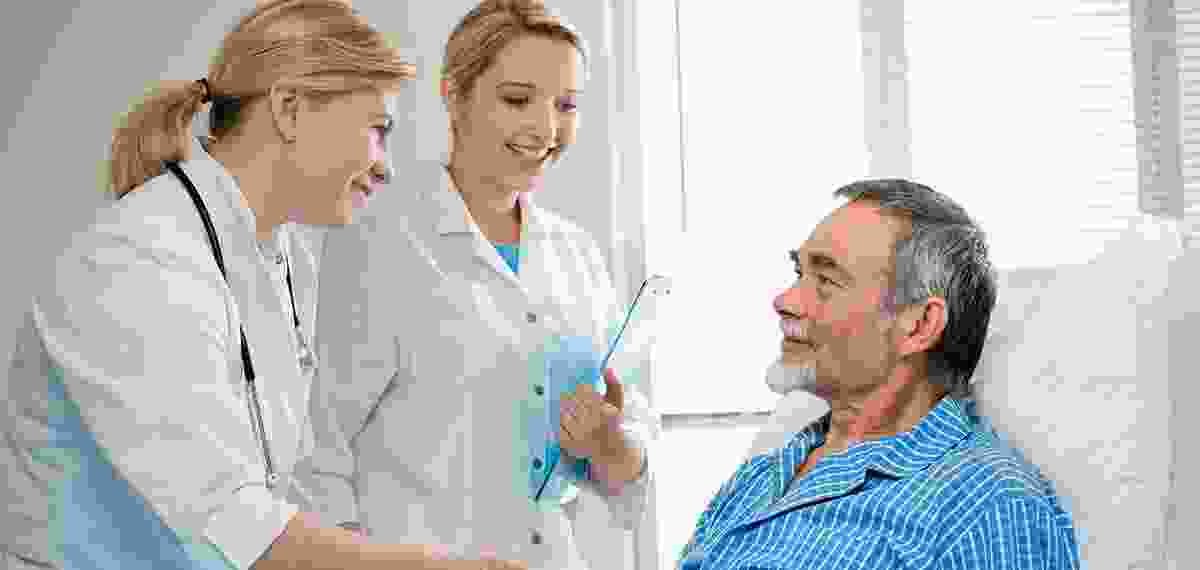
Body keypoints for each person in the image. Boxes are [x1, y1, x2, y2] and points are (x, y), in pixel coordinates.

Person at [0, 1, 525, 569]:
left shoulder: (283, 256)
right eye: (377, 130)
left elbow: (281, 486)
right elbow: (237, 526)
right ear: (290, 110)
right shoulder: (139, 261)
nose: (385, 167)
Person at [299, 1, 660, 568]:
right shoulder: (379, 241)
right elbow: (318, 453)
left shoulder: (578, 256)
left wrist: (610, 444)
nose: (546, 128)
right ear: (454, 95)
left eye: (566, 105)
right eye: (517, 100)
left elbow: (630, 475)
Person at [678, 179, 1082, 569]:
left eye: (826, 280)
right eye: (800, 274)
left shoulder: (989, 510)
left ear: (919, 325)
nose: (785, 300)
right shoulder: (760, 476)